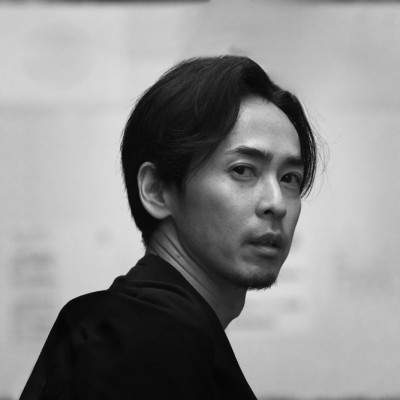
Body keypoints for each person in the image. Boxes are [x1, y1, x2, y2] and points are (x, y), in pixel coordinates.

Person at [20, 55, 318, 400]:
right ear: (157, 190)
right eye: (242, 170)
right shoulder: (148, 336)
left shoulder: (148, 326)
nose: (277, 203)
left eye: (289, 178)